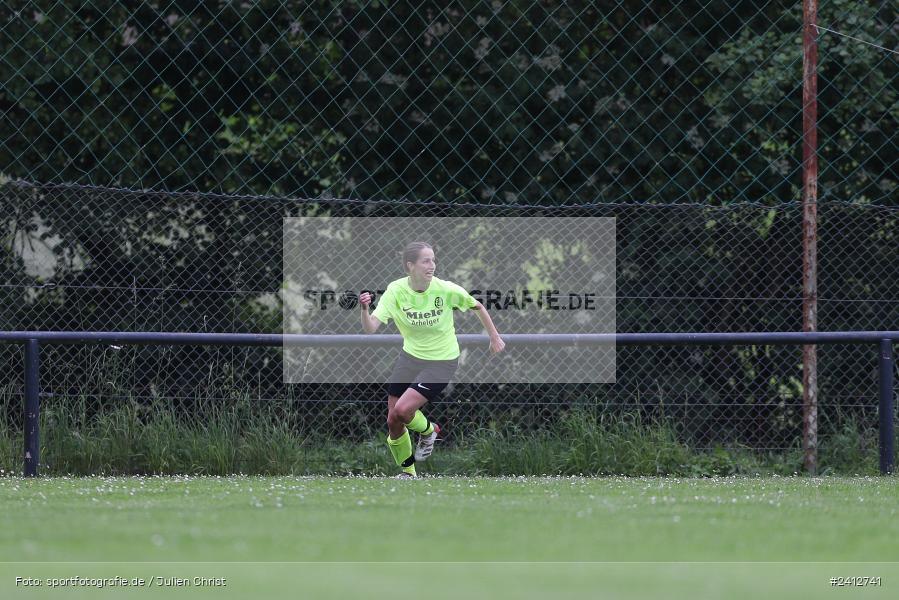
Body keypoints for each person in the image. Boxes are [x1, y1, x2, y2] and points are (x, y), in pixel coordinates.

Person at [359, 241, 505, 478]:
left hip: (442, 360)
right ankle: (408, 473)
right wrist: (364, 310)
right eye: (426, 261)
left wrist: (494, 337)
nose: (432, 265)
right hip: (410, 357)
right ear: (410, 266)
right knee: (392, 419)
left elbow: (477, 305)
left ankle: (430, 431)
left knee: (403, 411)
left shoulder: (444, 289)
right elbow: (370, 328)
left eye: (433, 260)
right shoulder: (395, 291)